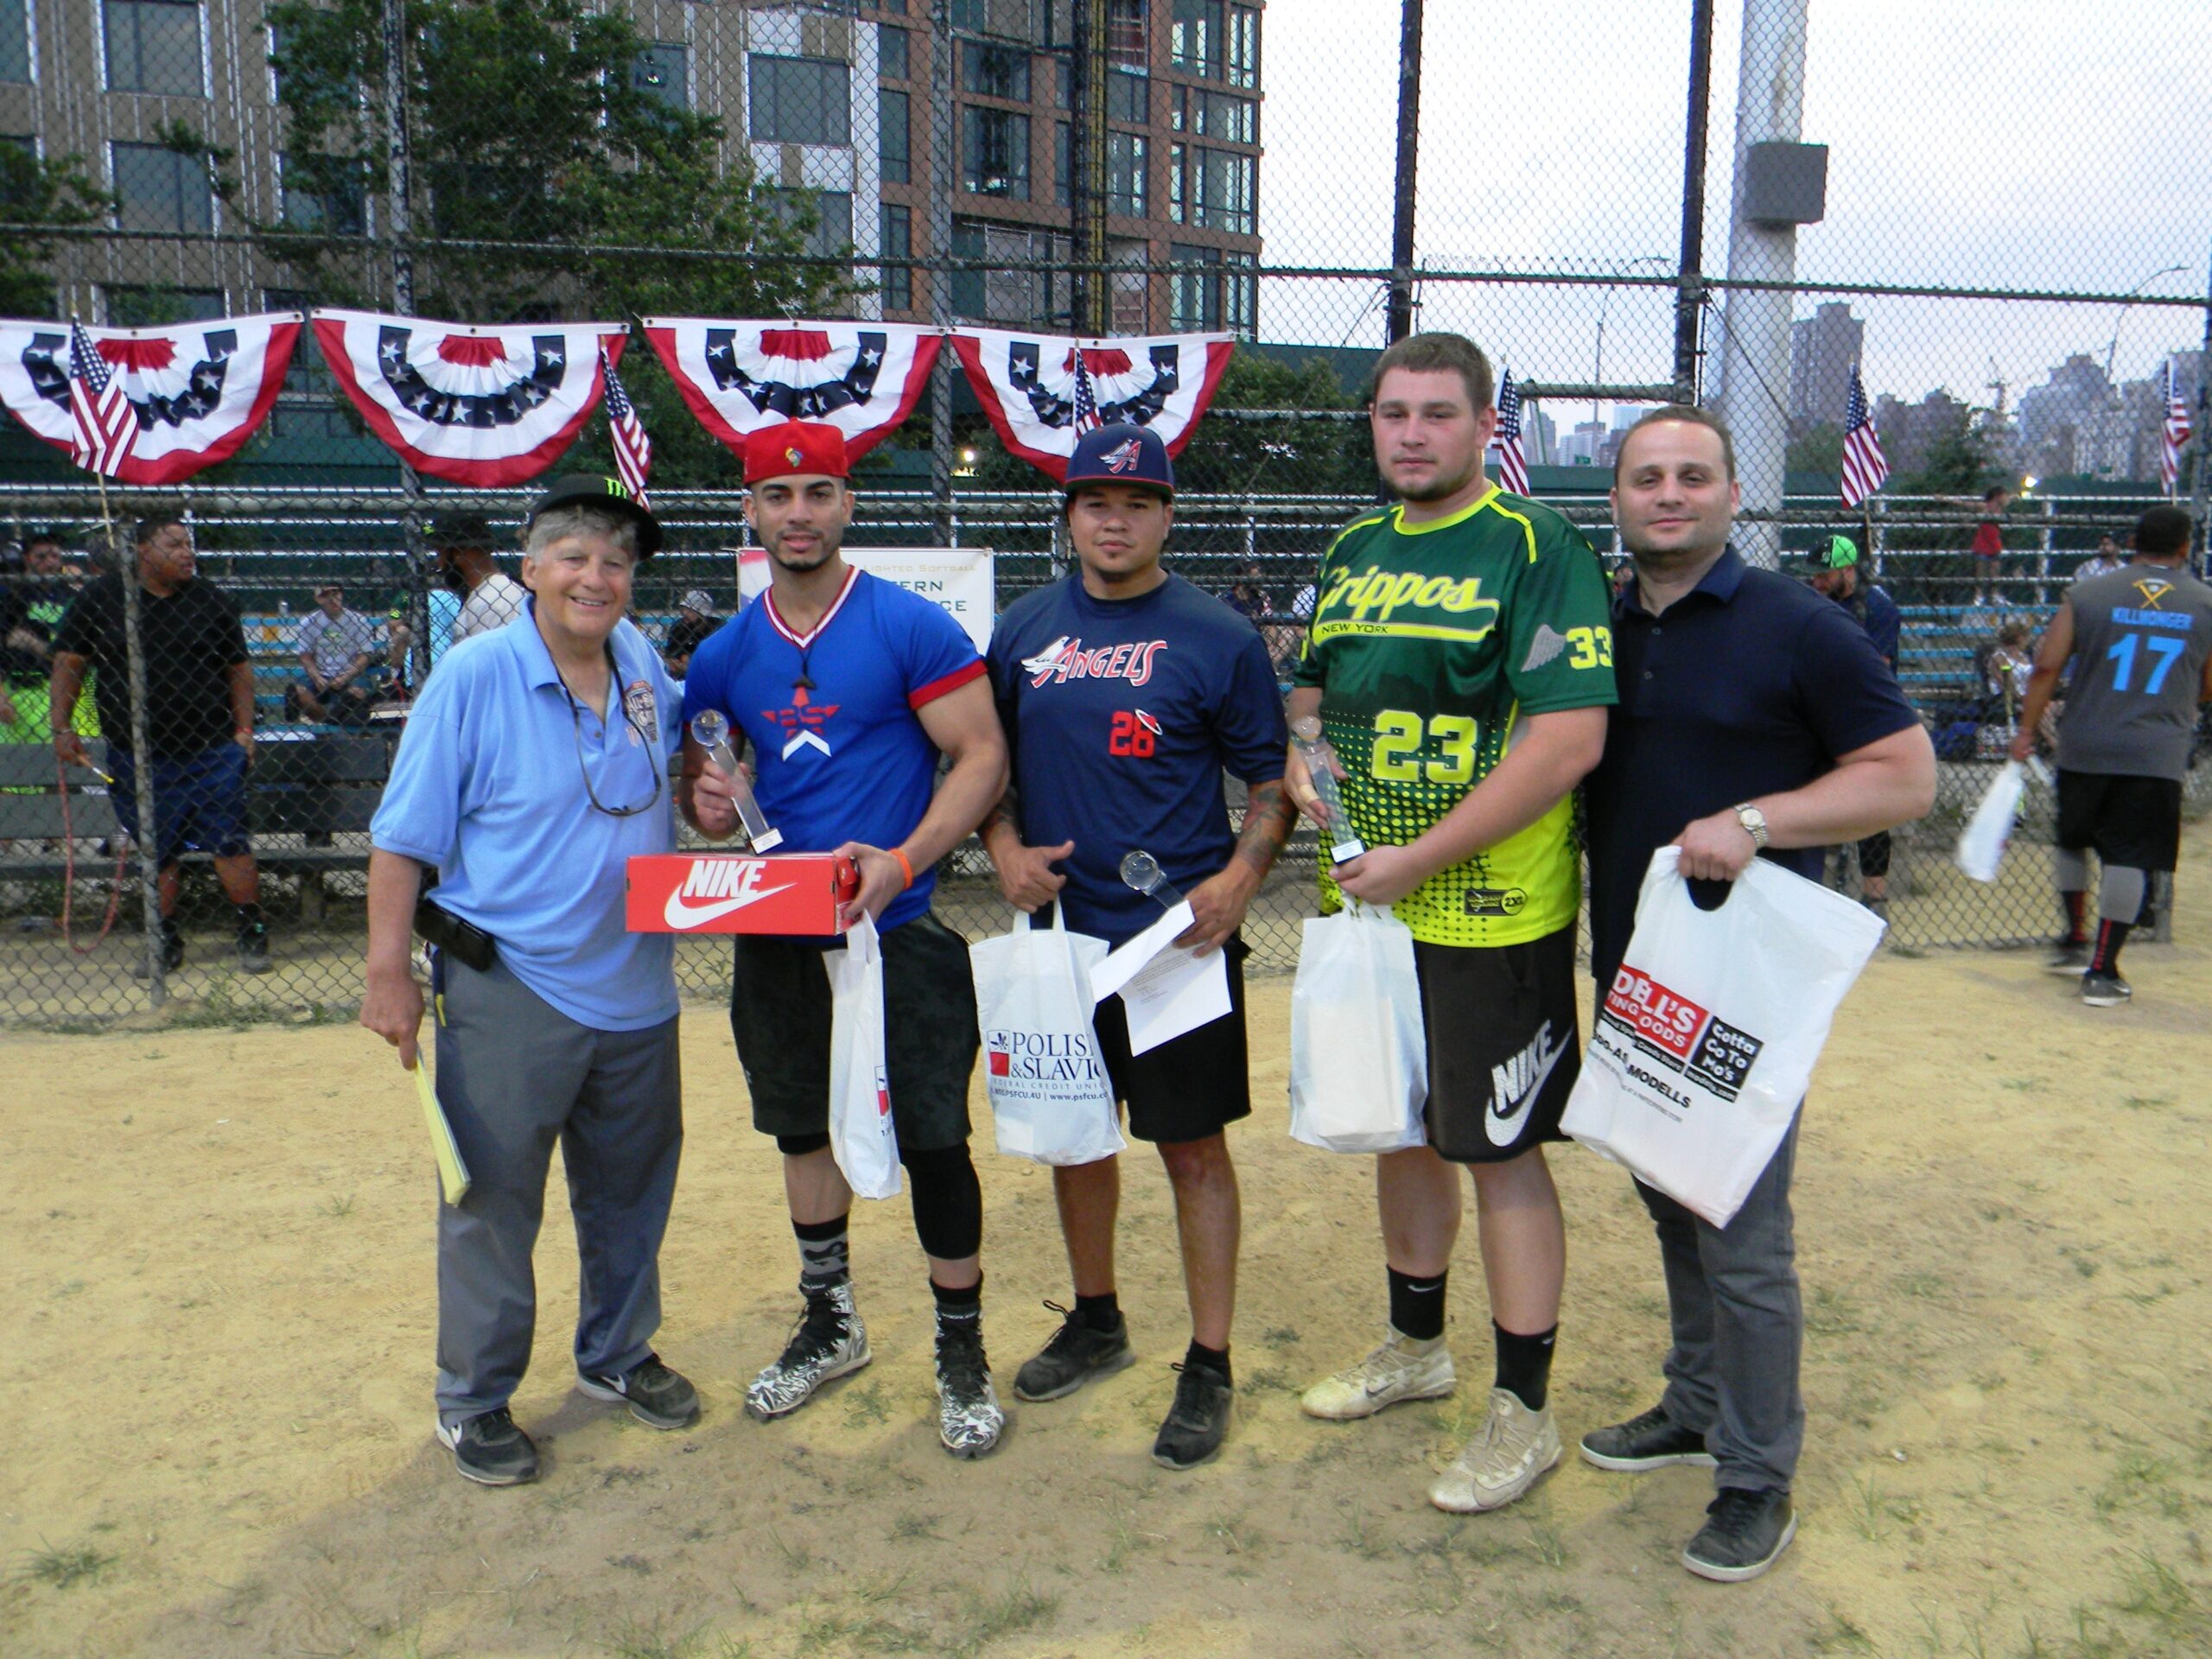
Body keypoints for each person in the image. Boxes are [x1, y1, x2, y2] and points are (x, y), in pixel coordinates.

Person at [1580, 405, 1934, 1582]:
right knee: (1669, 1194)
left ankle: (1755, 1474)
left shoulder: (1798, 627)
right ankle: (1694, 1404)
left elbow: (1906, 775)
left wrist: (1755, 820)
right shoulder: (1596, 625)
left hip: (1743, 984)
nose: (1668, 494)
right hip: (1636, 966)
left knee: (1740, 1226)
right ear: (1617, 499)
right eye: (1645, 477)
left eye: (1693, 475)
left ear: (1735, 495)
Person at [1282, 332, 1616, 1515]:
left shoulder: (1538, 546)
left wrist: (1420, 853)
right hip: (1369, 908)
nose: (1411, 433)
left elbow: (1569, 740)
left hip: (1489, 908)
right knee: (1404, 1133)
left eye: (1437, 413)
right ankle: (1415, 1349)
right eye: (1392, 413)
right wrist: (1300, 758)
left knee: (1500, 1151)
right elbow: (1312, 694)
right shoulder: (1355, 547)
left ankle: (1525, 1411)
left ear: (1485, 427)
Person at [360, 475, 712, 1487]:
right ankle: (473, 1399)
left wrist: (718, 787)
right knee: (492, 1203)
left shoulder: (641, 662)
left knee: (631, 1193)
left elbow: (696, 779)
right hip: (512, 985)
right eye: (573, 557)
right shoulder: (472, 676)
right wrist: (389, 971)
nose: (595, 578)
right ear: (529, 567)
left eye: (615, 561)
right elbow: (399, 841)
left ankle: (615, 1356)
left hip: (639, 985)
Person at [677, 421, 1013, 1459]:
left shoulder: (909, 627)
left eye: (818, 493)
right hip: (780, 931)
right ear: (750, 512)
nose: (798, 513)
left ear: (848, 505)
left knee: (933, 1140)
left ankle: (962, 1348)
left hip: (897, 928)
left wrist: (903, 861)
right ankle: (832, 1320)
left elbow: (982, 759)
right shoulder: (728, 654)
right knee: (800, 1130)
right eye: (777, 497)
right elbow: (712, 783)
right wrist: (711, 809)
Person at [982, 423, 1297, 1471]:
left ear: (1166, 515)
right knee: (1077, 1139)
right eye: (1093, 501)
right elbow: (982, 768)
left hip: (1177, 939)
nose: (1113, 519)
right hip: (1059, 932)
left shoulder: (1215, 635)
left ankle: (1208, 1360)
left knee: (1193, 1148)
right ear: (1068, 514)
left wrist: (1242, 877)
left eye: (1136, 502)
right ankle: (1097, 1317)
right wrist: (1003, 848)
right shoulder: (1024, 628)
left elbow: (1267, 779)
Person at [49, 511, 271, 975]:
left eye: (189, 544)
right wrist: (62, 728)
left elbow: (239, 671)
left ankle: (252, 929)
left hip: (211, 747)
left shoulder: (211, 600)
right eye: (173, 545)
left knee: (230, 842)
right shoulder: (102, 598)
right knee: (157, 848)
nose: (187, 553)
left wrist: (244, 731)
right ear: (143, 551)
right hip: (139, 753)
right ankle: (165, 938)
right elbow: (70, 663)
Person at [2011, 505, 2212, 1005]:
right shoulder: (2205, 603)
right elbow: (2209, 685)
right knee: (2130, 854)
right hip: (2154, 751)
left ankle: (2073, 940)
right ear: (2185, 547)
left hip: (2086, 741)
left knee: (2073, 840)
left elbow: (2044, 668)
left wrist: (2027, 730)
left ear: (2131, 541)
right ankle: (2102, 971)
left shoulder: (2087, 594)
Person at [1805, 534, 1904, 918]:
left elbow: (1874, 670)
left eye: (1824, 574)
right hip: (1820, 710)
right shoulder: (1816, 602)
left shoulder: (1877, 607)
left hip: (1868, 716)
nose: (1816, 582)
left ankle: (1874, 898)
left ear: (1848, 570)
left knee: (1871, 811)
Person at [0, 530, 89, 745]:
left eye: (55, 556)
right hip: (18, 686)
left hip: (64, 687)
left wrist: (33, 643)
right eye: (41, 557)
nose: (50, 563)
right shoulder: (11, 594)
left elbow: (79, 651)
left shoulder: (72, 597)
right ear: (27, 559)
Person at [289, 583, 379, 723]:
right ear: (318, 600)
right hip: (321, 674)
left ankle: (330, 722)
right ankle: (326, 721)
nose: (332, 599)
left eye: (336, 594)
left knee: (357, 692)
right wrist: (316, 677)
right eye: (326, 595)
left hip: (351, 673)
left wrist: (346, 676)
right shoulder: (308, 623)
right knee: (299, 691)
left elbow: (365, 656)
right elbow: (305, 656)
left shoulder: (358, 621)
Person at [439, 516, 528, 647]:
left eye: (441, 554)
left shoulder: (489, 601)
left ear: (461, 554)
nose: (439, 563)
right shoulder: (491, 591)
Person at [661, 590, 721, 677]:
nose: (685, 613)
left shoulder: (717, 627)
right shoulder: (678, 627)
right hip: (684, 678)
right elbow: (673, 662)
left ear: (702, 614)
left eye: (690, 611)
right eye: (684, 609)